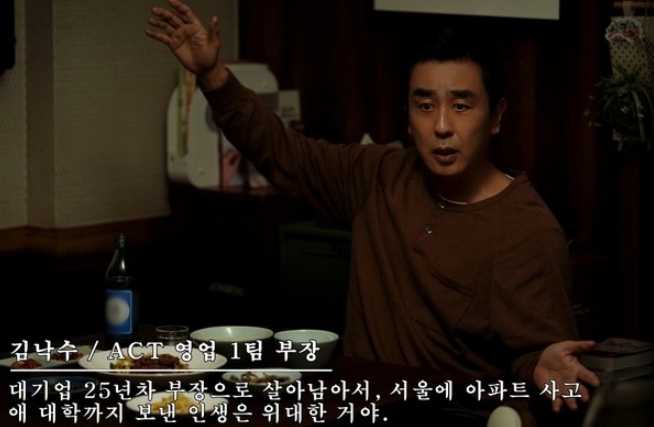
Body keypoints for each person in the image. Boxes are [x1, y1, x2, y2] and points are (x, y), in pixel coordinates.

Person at [146, 1, 600, 425]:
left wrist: (543, 365)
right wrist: (213, 75)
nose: (443, 125)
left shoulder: (526, 228)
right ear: (408, 115)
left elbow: (539, 367)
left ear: (496, 116)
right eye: (426, 105)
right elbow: (283, 152)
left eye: (462, 106)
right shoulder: (377, 176)